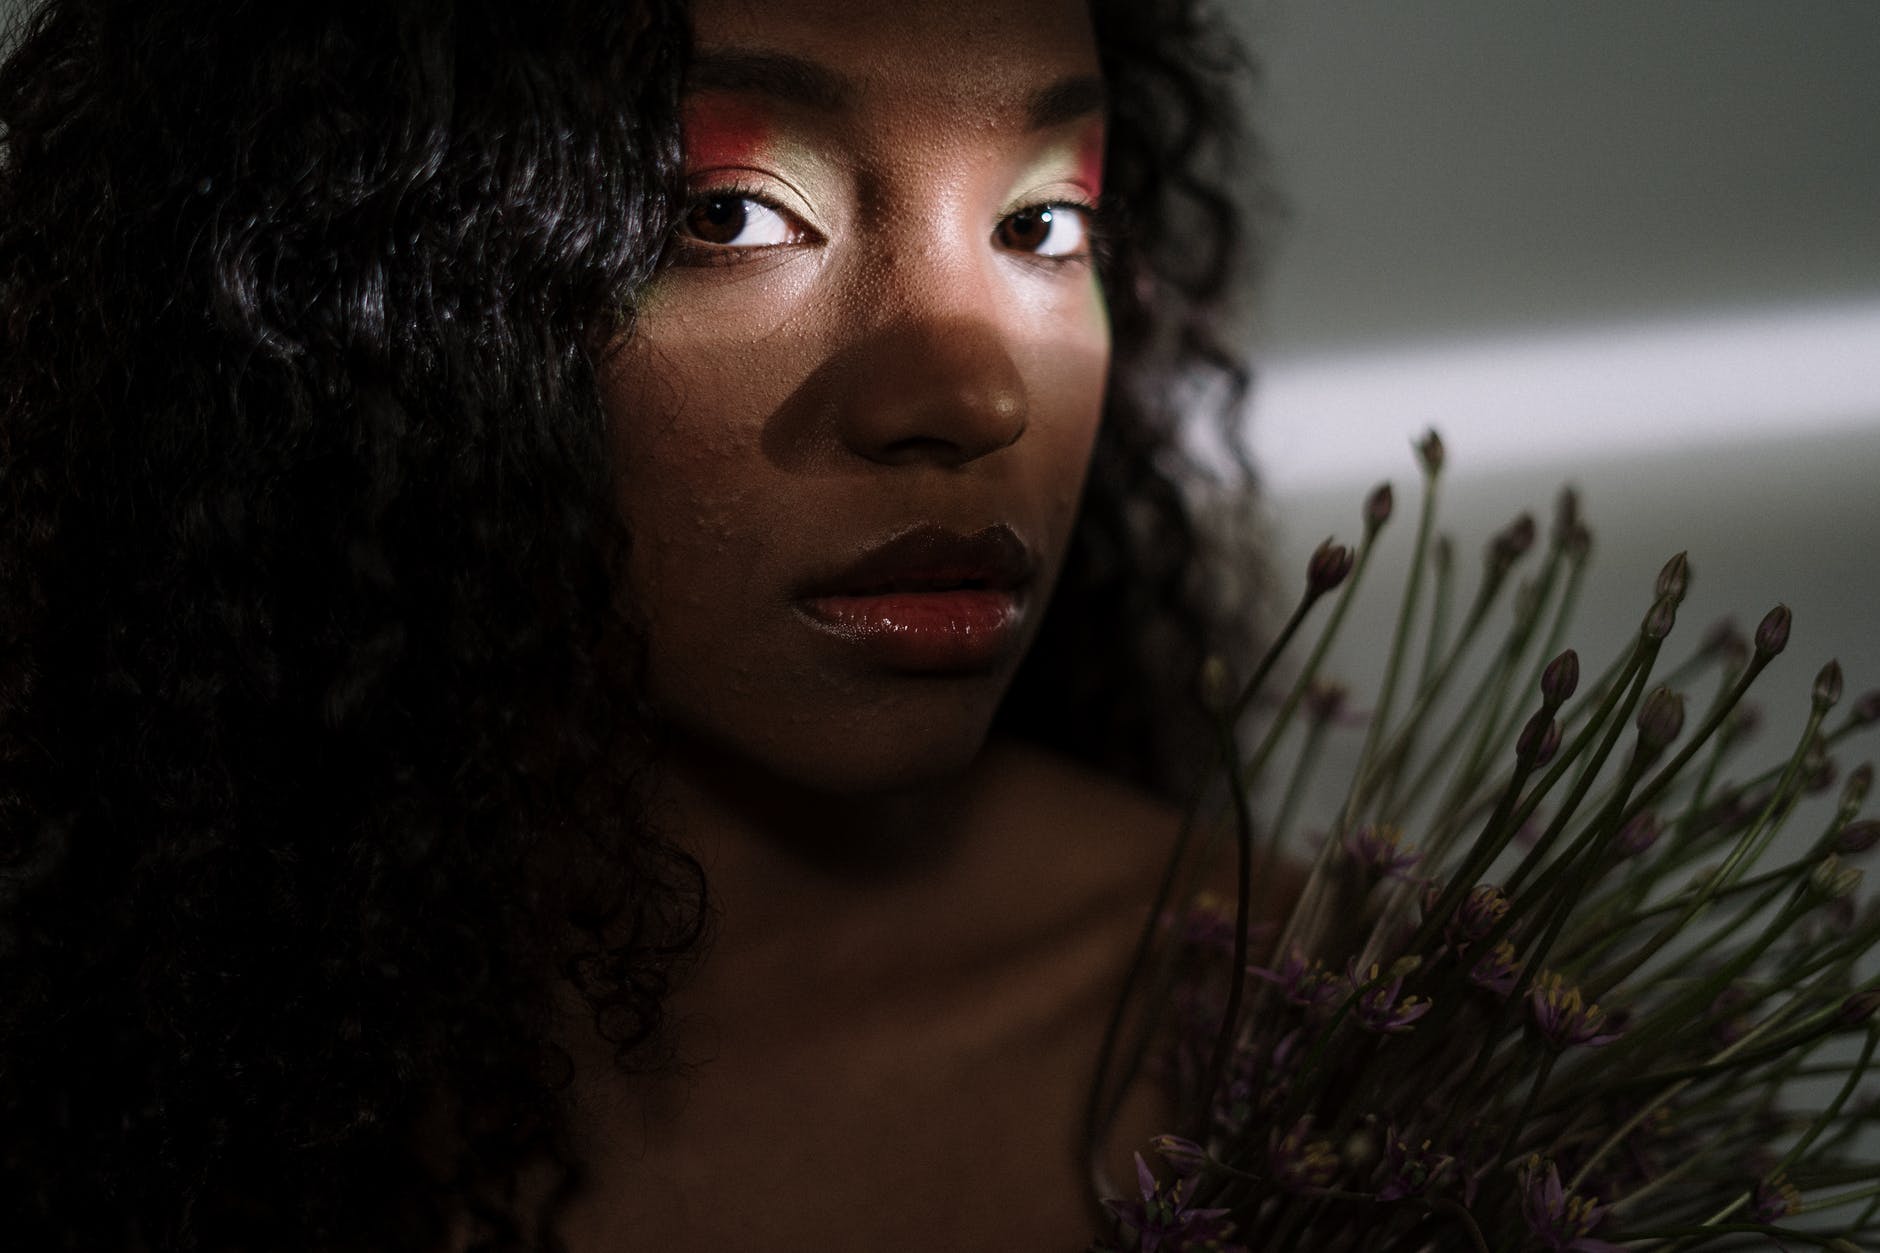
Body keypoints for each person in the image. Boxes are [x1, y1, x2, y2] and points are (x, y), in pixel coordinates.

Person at [0, 0, 1274, 1248]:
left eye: (1042, 221)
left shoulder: (1309, 1022)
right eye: (724, 211)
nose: (973, 391)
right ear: (356, 290)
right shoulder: (110, 1020)